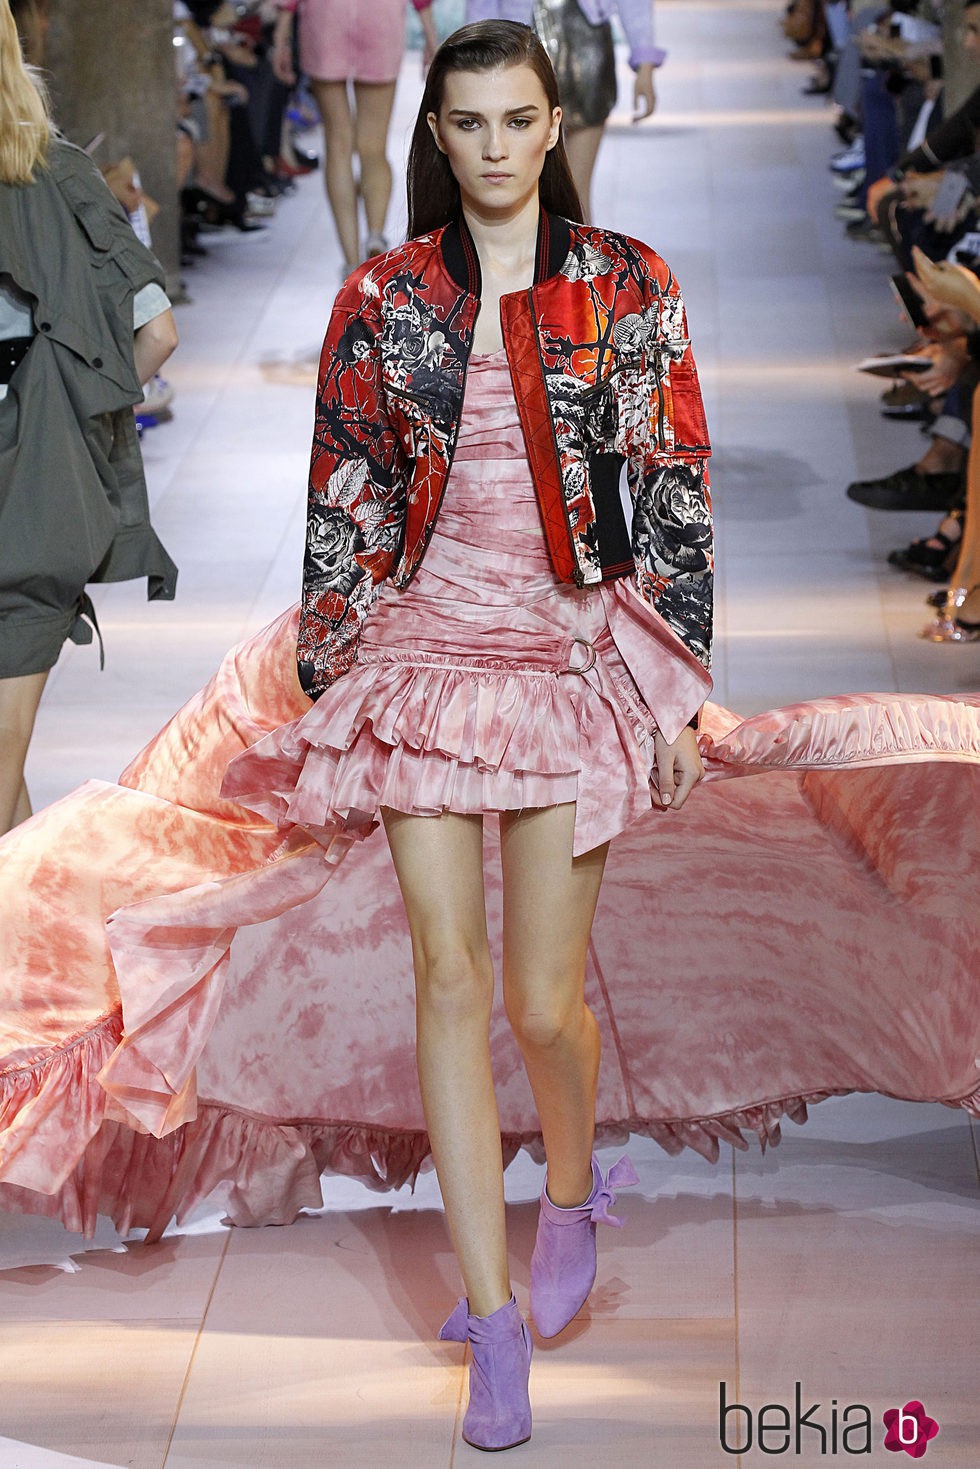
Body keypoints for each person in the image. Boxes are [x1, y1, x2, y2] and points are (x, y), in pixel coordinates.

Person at [241, 18, 710, 1450]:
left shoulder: (626, 285)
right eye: (472, 124)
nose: (499, 148)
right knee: (447, 976)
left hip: (568, 659)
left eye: (521, 121)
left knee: (539, 1005)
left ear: (556, 126)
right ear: (433, 138)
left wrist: (673, 680)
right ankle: (493, 1321)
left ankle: (568, 1189)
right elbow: (345, 490)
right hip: (427, 656)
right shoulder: (384, 297)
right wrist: (331, 665)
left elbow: (671, 476)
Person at [0, 0, 178, 835]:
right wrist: (69, 422)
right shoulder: (59, 174)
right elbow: (157, 334)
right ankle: (30, 956)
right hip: (35, 491)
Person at [272, 0, 440, 275]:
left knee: (337, 145)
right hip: (380, 18)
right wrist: (430, 34)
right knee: (374, 147)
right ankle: (375, 236)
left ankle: (350, 261)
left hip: (325, 19)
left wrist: (280, 36)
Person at [466, 0, 664, 219]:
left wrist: (645, 61)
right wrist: (474, 62)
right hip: (520, 52)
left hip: (588, 50)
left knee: (576, 192)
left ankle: (579, 251)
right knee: (520, 193)